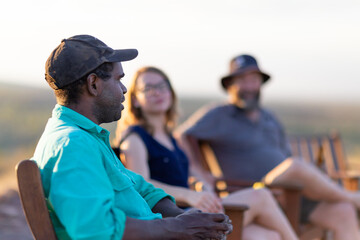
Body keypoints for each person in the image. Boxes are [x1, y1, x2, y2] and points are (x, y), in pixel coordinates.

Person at [31, 35, 232, 240]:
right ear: (93, 84)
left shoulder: (88, 137)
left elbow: (139, 187)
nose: (125, 89)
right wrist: (177, 228)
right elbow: (96, 231)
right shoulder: (72, 145)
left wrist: (184, 218)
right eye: (118, 79)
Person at [177, 54, 360, 240]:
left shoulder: (269, 117)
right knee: (296, 166)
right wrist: (199, 170)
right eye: (243, 81)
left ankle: (350, 201)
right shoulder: (219, 114)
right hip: (256, 190)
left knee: (344, 212)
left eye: (254, 80)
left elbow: (284, 155)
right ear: (231, 85)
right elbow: (181, 136)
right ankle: (354, 197)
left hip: (290, 191)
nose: (249, 87)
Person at [114, 66, 299, 240]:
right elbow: (141, 185)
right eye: (148, 88)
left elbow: (191, 174)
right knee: (260, 196)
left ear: (171, 93)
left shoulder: (170, 138)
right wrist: (188, 195)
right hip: (175, 220)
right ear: (136, 99)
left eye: (162, 86)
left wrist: (202, 185)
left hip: (192, 211)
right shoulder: (135, 139)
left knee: (266, 236)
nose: (157, 92)